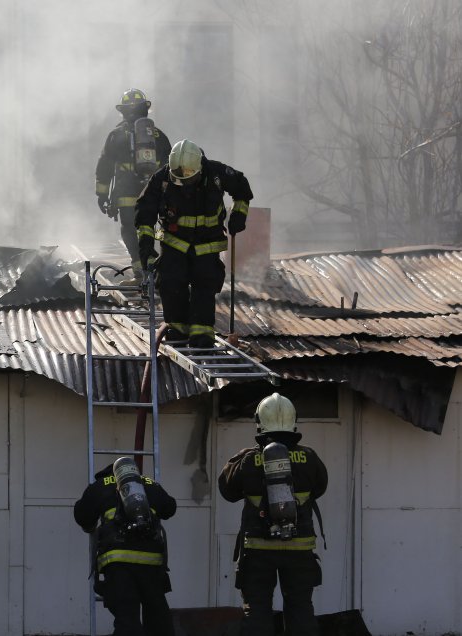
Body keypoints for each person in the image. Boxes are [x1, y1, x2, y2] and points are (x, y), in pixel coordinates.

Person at [218, 393, 328, 636]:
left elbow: (227, 491)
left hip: (258, 550)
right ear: (293, 421)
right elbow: (320, 488)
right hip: (300, 549)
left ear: (259, 422)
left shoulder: (247, 460)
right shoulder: (310, 458)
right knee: (301, 609)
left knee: (256, 611)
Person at [134, 139, 253, 348]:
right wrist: (146, 248)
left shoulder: (216, 173)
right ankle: (177, 330)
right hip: (174, 243)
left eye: (187, 178)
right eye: (177, 178)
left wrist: (239, 214)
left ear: (199, 168)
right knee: (171, 283)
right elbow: (144, 212)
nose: (182, 184)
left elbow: (242, 187)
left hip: (207, 245)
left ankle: (202, 335)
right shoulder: (162, 178)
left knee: (204, 286)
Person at [74, 457, 177, 635]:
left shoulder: (100, 485)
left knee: (127, 623)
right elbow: (170, 508)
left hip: (118, 564)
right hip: (151, 564)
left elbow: (82, 515)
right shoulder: (149, 484)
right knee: (158, 620)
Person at [94, 88, 172, 283]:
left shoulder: (116, 135)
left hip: (125, 191)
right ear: (145, 109)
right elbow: (170, 165)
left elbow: (104, 166)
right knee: (150, 227)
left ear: (123, 111)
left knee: (129, 228)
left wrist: (102, 195)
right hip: (152, 192)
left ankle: (140, 267)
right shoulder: (159, 136)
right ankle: (154, 264)